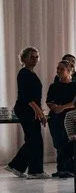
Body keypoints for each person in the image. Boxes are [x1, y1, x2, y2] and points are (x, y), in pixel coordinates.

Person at [6, 47, 48, 179]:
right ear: (24, 59)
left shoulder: (31, 73)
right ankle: (34, 171)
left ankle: (17, 166)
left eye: (36, 57)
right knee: (34, 139)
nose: (35, 59)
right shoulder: (23, 73)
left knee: (33, 139)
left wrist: (40, 111)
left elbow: (35, 96)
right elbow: (26, 96)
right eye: (31, 57)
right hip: (25, 109)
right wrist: (37, 110)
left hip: (31, 109)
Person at [46, 59, 76, 178]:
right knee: (58, 143)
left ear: (69, 71)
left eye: (62, 69)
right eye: (58, 69)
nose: (59, 71)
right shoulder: (53, 86)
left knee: (68, 142)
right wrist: (54, 108)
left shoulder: (75, 87)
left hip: (69, 118)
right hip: (55, 118)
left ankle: (68, 168)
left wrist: (62, 107)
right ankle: (60, 169)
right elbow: (49, 101)